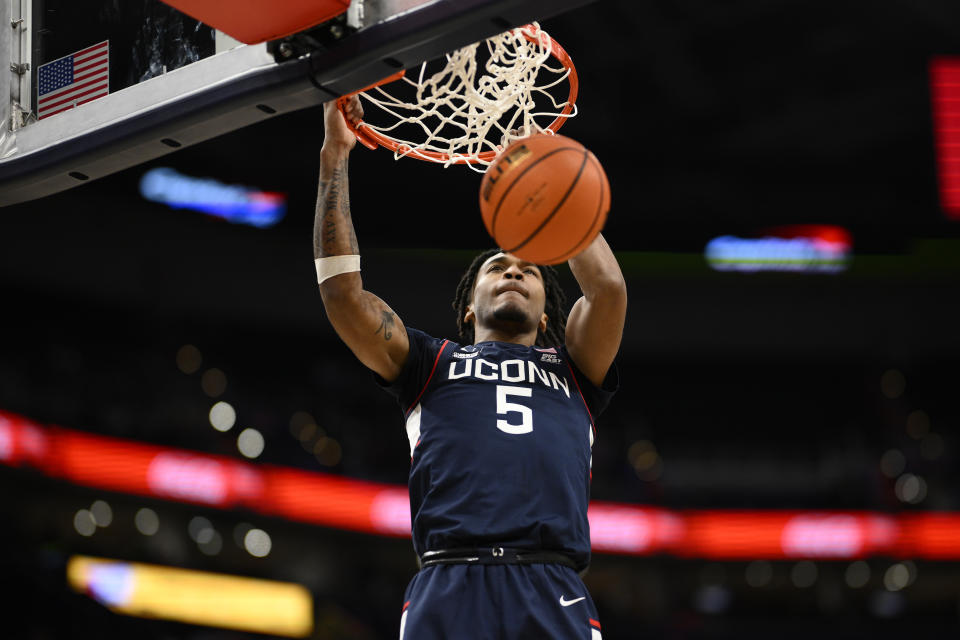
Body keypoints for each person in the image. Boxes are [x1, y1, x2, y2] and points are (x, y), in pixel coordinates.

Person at [314, 96, 627, 640]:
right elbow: (344, 296)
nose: (514, 273)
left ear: (548, 310)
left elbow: (608, 290)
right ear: (468, 304)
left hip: (553, 584)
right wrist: (334, 154)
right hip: (449, 577)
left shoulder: (575, 367)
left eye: (529, 270)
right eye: (498, 267)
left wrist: (547, 184)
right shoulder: (428, 363)